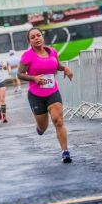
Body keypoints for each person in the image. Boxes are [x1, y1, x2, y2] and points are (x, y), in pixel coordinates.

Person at [18, 27, 73, 163]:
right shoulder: (27, 55)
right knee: (43, 126)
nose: (37, 38)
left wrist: (65, 68)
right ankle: (40, 128)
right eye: (33, 37)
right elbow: (20, 74)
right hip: (36, 94)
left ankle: (65, 151)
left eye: (38, 35)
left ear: (42, 37)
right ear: (29, 41)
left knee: (58, 120)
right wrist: (34, 78)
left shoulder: (52, 51)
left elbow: (56, 66)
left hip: (52, 92)